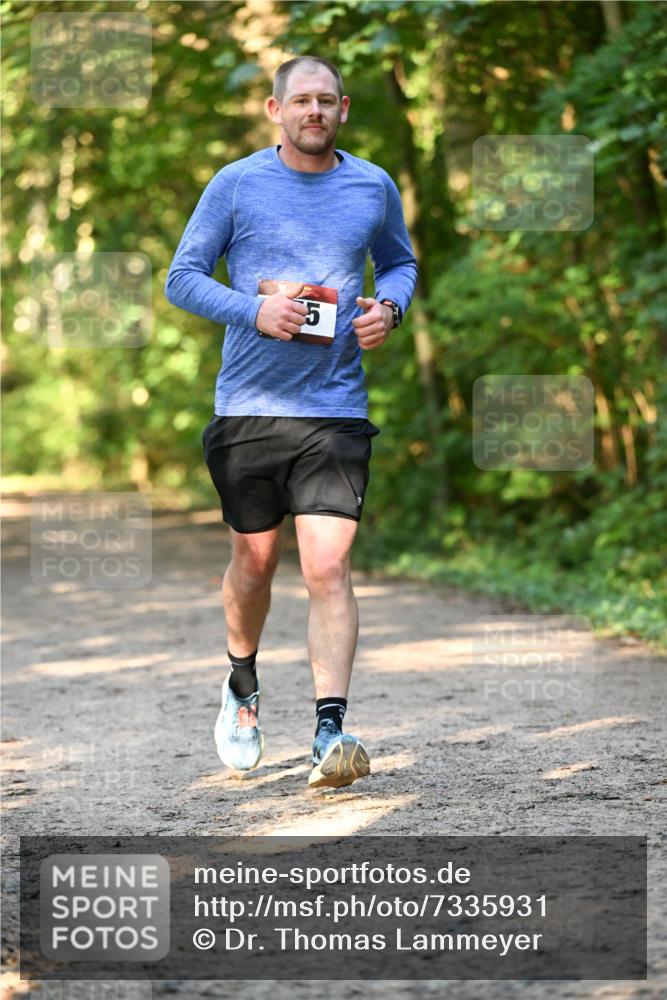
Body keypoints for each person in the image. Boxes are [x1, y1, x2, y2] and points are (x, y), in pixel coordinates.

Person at [165, 55, 418, 789]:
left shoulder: (371, 184)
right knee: (254, 562)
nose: (314, 111)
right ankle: (241, 685)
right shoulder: (237, 183)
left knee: (328, 564)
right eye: (299, 100)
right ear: (275, 110)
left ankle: (328, 731)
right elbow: (182, 276)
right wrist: (252, 309)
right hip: (247, 408)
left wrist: (388, 309)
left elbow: (398, 263)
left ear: (343, 109)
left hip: (335, 408)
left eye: (326, 101)